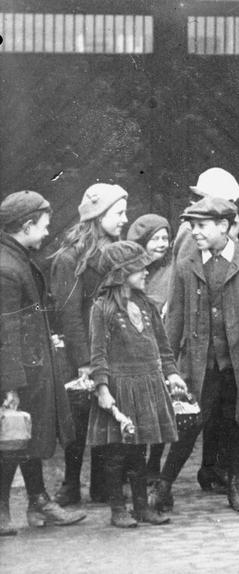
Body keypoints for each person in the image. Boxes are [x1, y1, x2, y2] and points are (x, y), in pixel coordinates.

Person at [156, 196, 239, 512]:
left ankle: (234, 485)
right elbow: (174, 319)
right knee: (189, 423)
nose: (194, 232)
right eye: (192, 225)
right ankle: (163, 486)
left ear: (224, 226)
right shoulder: (186, 267)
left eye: (201, 226)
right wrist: (169, 366)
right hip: (200, 365)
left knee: (238, 422)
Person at [0, 191, 86, 536]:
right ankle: (3, 512)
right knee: (10, 438)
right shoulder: (7, 268)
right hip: (18, 372)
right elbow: (5, 330)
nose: (48, 232)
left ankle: (38, 503)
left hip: (29, 367)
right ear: (26, 225)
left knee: (27, 436)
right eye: (44, 225)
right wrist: (10, 385)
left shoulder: (16, 258)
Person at [87, 241, 185, 527]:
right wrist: (102, 388)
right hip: (119, 388)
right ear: (121, 272)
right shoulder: (102, 308)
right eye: (138, 267)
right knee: (117, 452)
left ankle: (141, 507)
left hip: (147, 385)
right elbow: (98, 354)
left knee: (139, 451)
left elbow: (163, 347)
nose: (145, 272)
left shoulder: (146, 304)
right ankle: (118, 509)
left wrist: (172, 373)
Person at [172, 168, 239, 495]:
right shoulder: (194, 231)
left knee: (222, 413)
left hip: (226, 338)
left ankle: (215, 469)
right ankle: (166, 477)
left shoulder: (227, 226)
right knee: (198, 411)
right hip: (203, 335)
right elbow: (188, 279)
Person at [50, 183, 129, 505]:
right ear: (98, 216)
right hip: (82, 355)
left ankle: (102, 485)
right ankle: (70, 485)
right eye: (119, 212)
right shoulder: (70, 259)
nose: (125, 219)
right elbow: (69, 316)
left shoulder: (116, 253)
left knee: (107, 415)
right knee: (78, 423)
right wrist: (84, 362)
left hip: (112, 351)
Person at [127, 214, 173, 481]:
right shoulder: (131, 272)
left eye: (165, 238)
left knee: (160, 408)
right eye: (155, 238)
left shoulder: (175, 269)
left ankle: (154, 463)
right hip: (137, 348)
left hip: (163, 346)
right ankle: (135, 464)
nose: (162, 243)